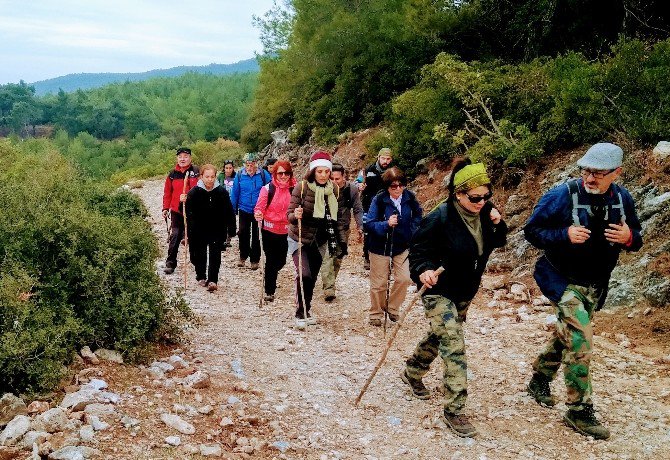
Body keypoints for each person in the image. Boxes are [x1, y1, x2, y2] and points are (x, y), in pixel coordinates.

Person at [524, 143, 642, 440]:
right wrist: (564, 234)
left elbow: (637, 239)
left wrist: (629, 238)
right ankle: (579, 410)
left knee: (569, 334)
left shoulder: (622, 198)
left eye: (599, 173)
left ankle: (539, 377)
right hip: (559, 278)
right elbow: (531, 231)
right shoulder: (561, 195)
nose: (590, 178)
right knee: (581, 339)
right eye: (587, 171)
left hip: (595, 283)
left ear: (617, 173)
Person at [403, 159, 507, 438]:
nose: (482, 202)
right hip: (438, 290)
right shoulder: (439, 218)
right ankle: (455, 410)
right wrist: (423, 271)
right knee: (453, 344)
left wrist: (498, 224)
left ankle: (412, 370)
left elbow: (496, 242)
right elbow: (418, 251)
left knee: (440, 335)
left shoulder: (485, 213)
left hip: (465, 290)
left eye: (486, 196)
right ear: (458, 194)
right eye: (475, 197)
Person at [287, 151, 347, 329]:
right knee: (303, 274)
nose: (323, 175)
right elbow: (289, 213)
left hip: (320, 240)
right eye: (319, 171)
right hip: (299, 238)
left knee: (312, 277)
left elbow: (337, 219)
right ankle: (299, 313)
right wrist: (294, 215)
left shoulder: (334, 190)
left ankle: (307, 311)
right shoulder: (302, 187)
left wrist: (341, 242)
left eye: (326, 172)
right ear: (313, 171)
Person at [363, 167, 422, 327]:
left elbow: (418, 215)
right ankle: (376, 313)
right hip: (379, 246)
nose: (398, 189)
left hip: (402, 245)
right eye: (393, 186)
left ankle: (393, 308)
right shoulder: (379, 199)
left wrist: (412, 230)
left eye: (401, 185)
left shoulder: (410, 197)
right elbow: (369, 223)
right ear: (387, 186)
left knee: (404, 278)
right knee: (380, 283)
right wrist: (386, 224)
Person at [185, 164, 236, 291]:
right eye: (207, 177)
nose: (210, 179)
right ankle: (201, 275)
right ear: (201, 177)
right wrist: (182, 202)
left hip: (217, 229)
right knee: (199, 253)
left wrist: (231, 228)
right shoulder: (194, 192)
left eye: (212, 176)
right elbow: (186, 212)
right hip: (198, 229)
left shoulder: (221, 192)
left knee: (215, 254)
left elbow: (229, 211)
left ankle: (213, 279)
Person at [321, 163, 364, 302]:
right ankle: (329, 289)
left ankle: (330, 282)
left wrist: (360, 226)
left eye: (337, 179)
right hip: (325, 227)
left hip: (342, 228)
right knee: (327, 257)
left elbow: (357, 209)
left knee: (337, 258)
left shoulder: (351, 189)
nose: (334, 182)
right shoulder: (322, 189)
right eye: (331, 178)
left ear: (343, 177)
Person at [254, 160, 296, 302]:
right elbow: (259, 207)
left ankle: (270, 274)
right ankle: (269, 290)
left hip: (286, 231)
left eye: (286, 173)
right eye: (280, 173)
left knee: (281, 261)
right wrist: (258, 213)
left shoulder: (295, 189)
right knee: (271, 260)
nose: (283, 176)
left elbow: (299, 205)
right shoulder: (267, 189)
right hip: (269, 230)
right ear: (275, 174)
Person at [230, 153, 271, 269]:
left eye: (252, 165)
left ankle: (255, 259)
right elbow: (235, 193)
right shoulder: (239, 175)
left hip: (259, 210)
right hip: (244, 208)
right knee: (243, 232)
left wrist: (268, 207)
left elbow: (270, 189)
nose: (250, 168)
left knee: (257, 234)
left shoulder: (263, 174)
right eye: (247, 165)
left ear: (256, 164)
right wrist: (233, 209)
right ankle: (243, 256)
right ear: (244, 165)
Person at [162, 147, 199, 274]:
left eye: (185, 156)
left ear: (190, 158)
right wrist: (165, 208)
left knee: (194, 238)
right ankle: (170, 263)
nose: (183, 159)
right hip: (176, 211)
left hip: (193, 211)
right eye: (180, 156)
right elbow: (167, 192)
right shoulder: (172, 174)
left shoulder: (196, 172)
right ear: (177, 158)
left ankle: (197, 263)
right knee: (175, 236)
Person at [359, 147, 393, 270]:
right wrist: (360, 186)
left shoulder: (393, 171)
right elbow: (358, 182)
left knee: (388, 229)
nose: (385, 161)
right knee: (369, 231)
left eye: (388, 158)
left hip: (387, 205)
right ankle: (367, 258)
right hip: (369, 205)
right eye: (383, 158)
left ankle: (387, 256)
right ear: (378, 157)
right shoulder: (368, 170)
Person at [218, 160, 237, 248]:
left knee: (231, 222)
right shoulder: (220, 177)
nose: (228, 170)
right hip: (221, 202)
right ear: (224, 168)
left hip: (232, 203)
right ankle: (221, 241)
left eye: (230, 168)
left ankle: (228, 240)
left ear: (233, 168)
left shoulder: (236, 177)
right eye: (226, 168)